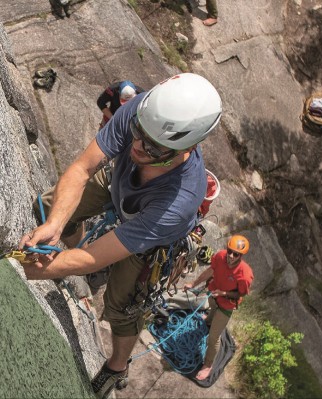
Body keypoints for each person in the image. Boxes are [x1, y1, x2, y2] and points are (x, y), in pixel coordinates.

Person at [19, 73, 222, 398]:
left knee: (122, 306)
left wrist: (27, 270)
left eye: (152, 146)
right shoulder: (147, 111)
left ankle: (117, 366)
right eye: (137, 133)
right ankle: (68, 238)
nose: (137, 145)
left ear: (187, 147)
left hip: (153, 236)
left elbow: (93, 258)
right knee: (48, 205)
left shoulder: (179, 202)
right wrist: (55, 224)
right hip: (121, 182)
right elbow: (83, 168)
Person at [183, 235, 254, 380]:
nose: (231, 256)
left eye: (236, 254)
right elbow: (209, 271)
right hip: (214, 293)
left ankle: (208, 365)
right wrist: (193, 284)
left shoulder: (245, 274)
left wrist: (224, 293)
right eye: (230, 251)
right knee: (211, 310)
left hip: (227, 305)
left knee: (214, 337)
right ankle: (209, 321)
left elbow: (241, 293)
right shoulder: (220, 256)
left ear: (241, 256)